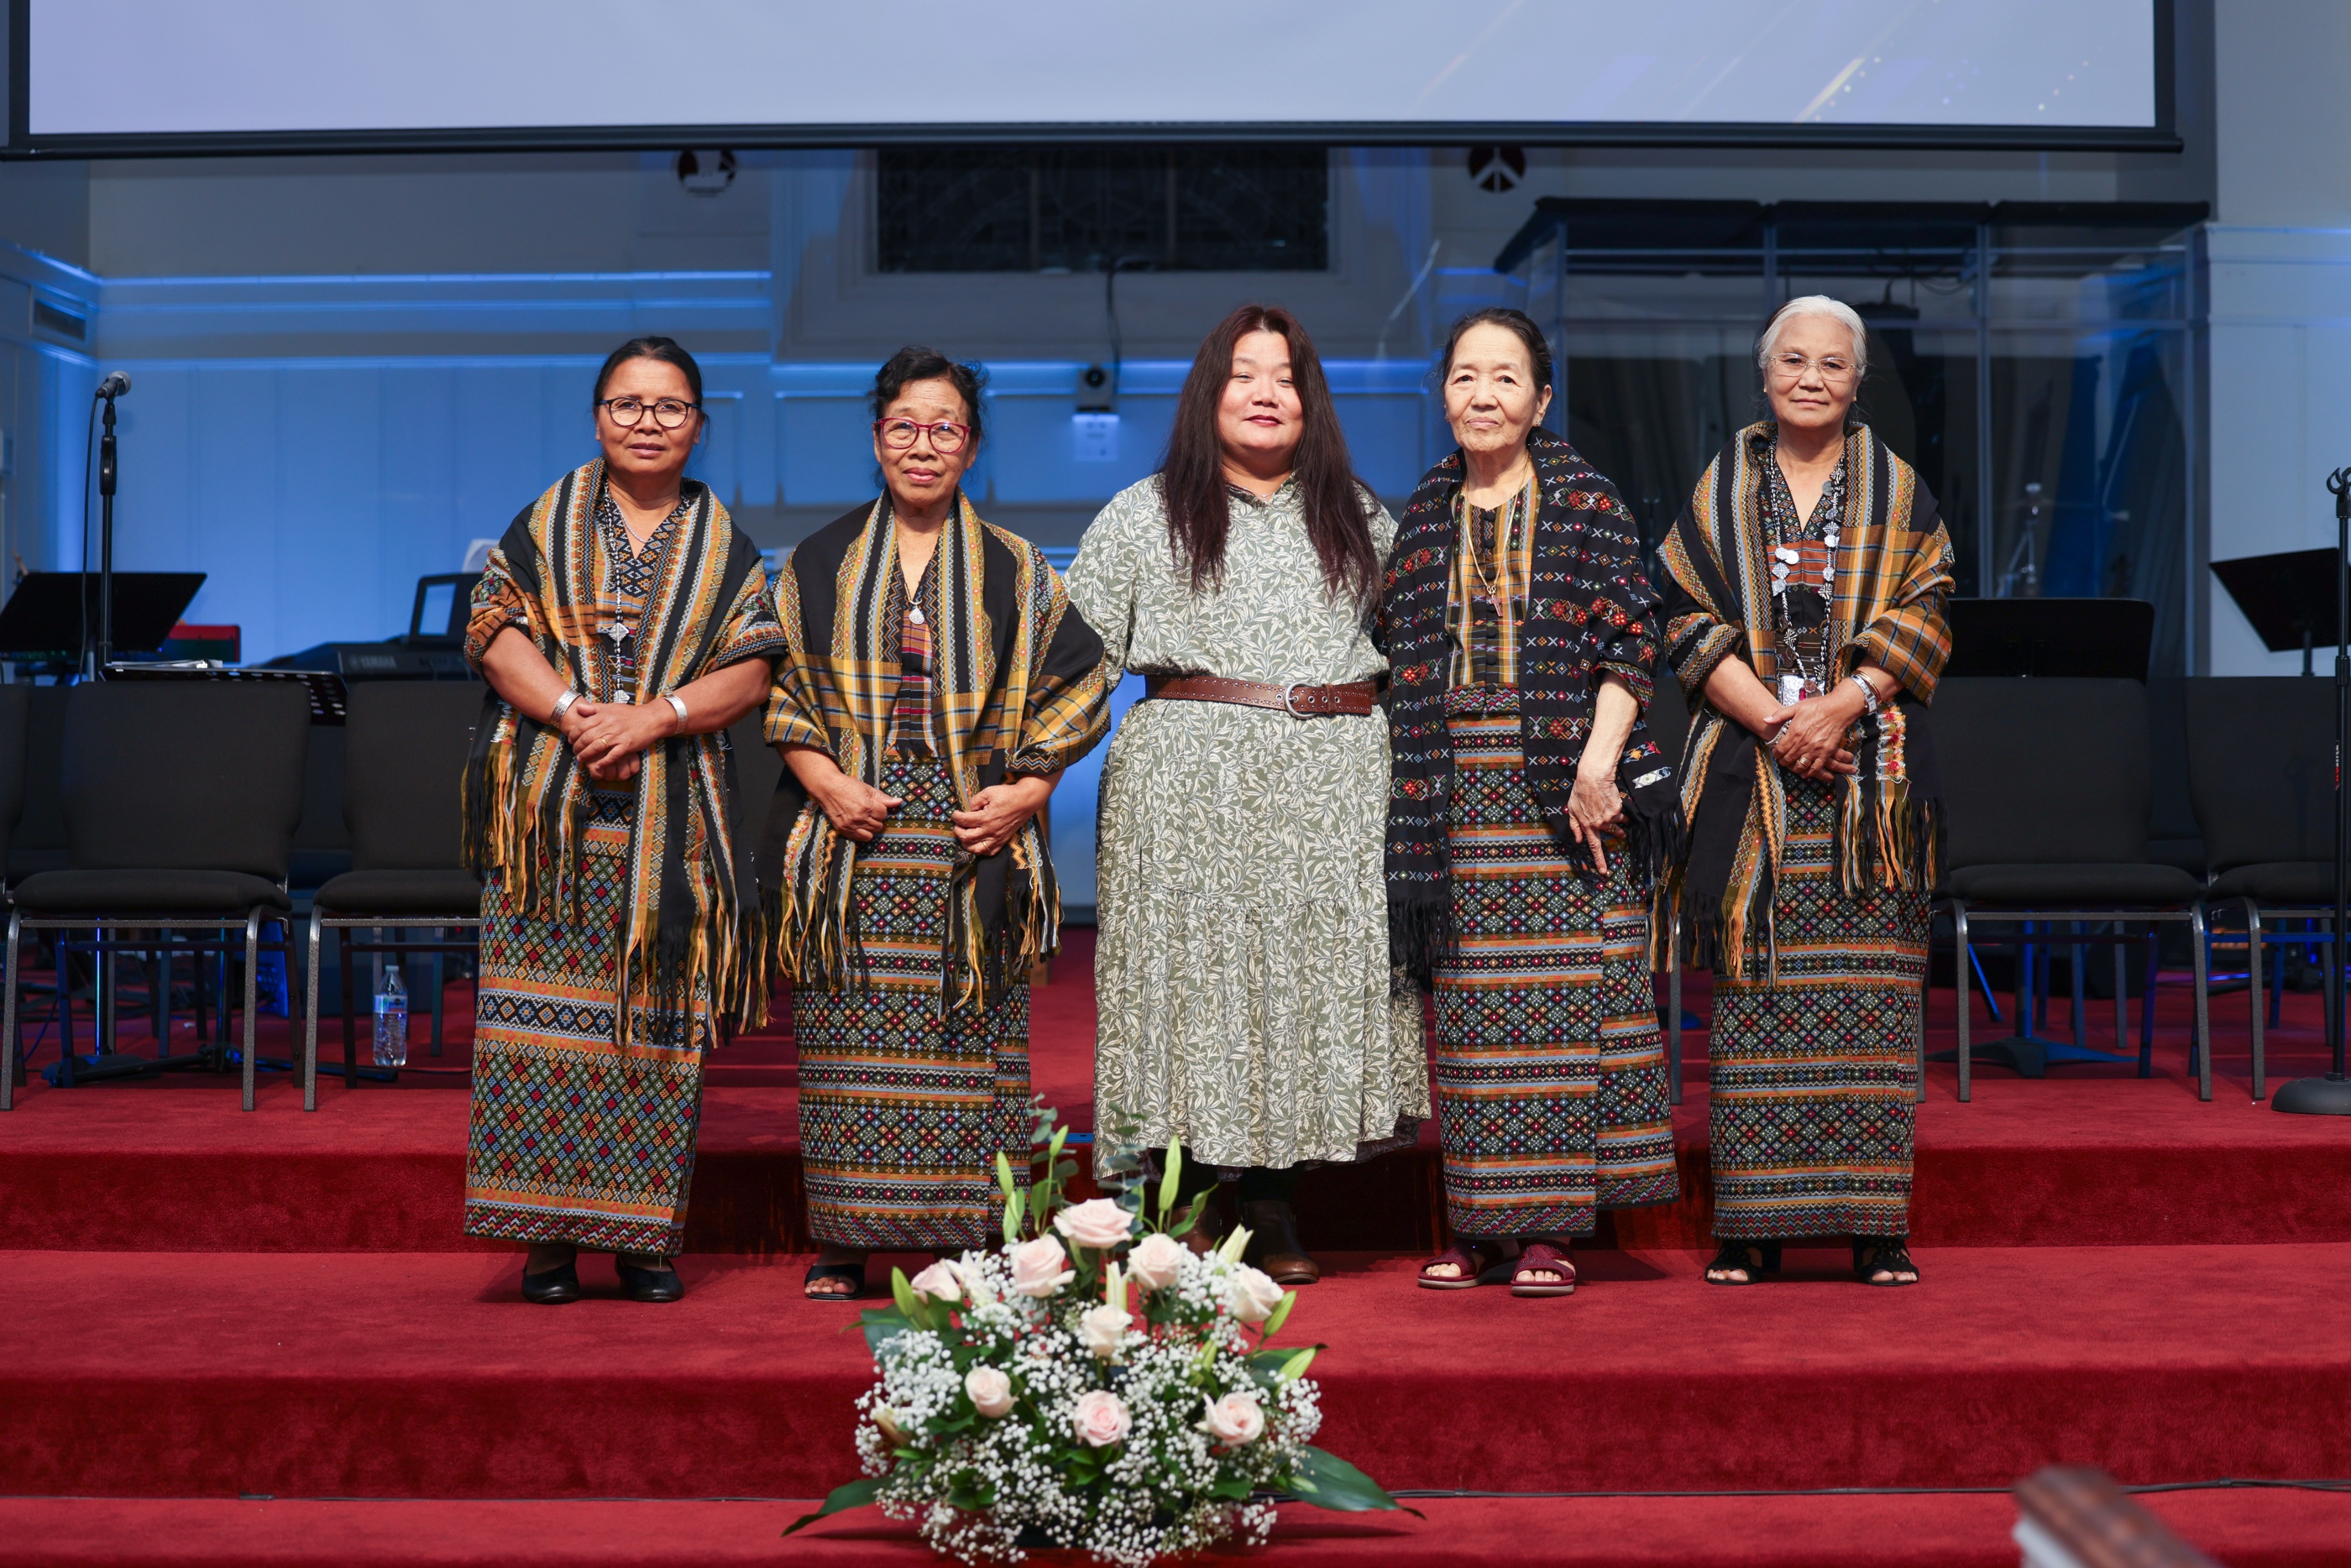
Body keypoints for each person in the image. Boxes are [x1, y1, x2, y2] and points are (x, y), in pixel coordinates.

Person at [1068, 304, 1426, 1287]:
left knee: (1305, 987)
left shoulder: (1361, 517)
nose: (1266, 393)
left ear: (1310, 401)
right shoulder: (1143, 514)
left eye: (1285, 377)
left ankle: (1271, 1198)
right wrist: (1024, 776)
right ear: (1208, 393)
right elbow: (1072, 667)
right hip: (1187, 792)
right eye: (1243, 374)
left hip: (1332, 793)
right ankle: (1176, 1192)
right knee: (1187, 984)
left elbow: (1416, 662)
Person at [768, 347, 1109, 1300]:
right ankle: (845, 1240)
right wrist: (828, 784)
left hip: (974, 837)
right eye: (904, 427)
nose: (923, 446)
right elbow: (779, 689)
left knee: (972, 1044)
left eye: (945, 428)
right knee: (848, 1039)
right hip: (855, 838)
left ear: (973, 445)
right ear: (877, 437)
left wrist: (1031, 788)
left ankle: (968, 1239)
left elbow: (1083, 679)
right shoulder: (819, 561)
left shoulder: (1015, 567)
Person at [461, 335, 785, 1305]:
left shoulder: (727, 547)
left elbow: (753, 668)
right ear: (598, 416)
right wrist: (575, 713)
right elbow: (492, 630)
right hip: (550, 831)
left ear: (699, 424)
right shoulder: (543, 523)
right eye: (628, 404)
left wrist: (654, 717)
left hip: (670, 826)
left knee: (654, 1028)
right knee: (538, 1032)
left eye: (669, 406)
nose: (648, 422)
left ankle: (643, 1239)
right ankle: (546, 1244)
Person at [1657, 295, 1953, 1288]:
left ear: (1857, 380)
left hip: (1869, 786)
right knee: (1755, 1006)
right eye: (1792, 359)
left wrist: (1841, 705)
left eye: (1831, 362)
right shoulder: (1719, 487)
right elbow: (1681, 617)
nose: (1811, 377)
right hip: (1756, 779)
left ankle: (1875, 1227)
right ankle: (1751, 1228)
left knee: (1873, 1012)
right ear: (1764, 372)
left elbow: (1930, 608)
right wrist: (1779, 721)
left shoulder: (1898, 489)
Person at [1389, 308, 1682, 1299]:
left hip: (1564, 785)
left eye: (1505, 377)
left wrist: (1596, 767)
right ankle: (1478, 1225)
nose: (1483, 394)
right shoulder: (1422, 514)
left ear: (1540, 398)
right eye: (1465, 376)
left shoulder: (1586, 500)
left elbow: (1631, 640)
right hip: (1453, 793)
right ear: (1443, 394)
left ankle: (1551, 1230)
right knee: (1474, 1017)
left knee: (1560, 1005)